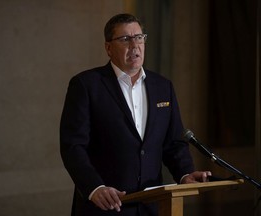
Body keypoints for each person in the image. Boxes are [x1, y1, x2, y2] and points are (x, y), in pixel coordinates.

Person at [60, 13, 211, 216]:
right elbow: (73, 147)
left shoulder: (162, 87)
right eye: (125, 39)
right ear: (108, 48)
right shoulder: (86, 86)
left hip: (150, 206)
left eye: (139, 37)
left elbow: (174, 143)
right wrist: (94, 187)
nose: (135, 45)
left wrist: (185, 174)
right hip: (105, 206)